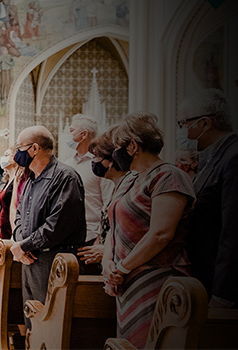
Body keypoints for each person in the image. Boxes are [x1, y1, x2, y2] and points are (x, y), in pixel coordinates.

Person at [102, 113, 195, 348]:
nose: (115, 154)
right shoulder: (130, 179)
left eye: (117, 147)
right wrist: (109, 266)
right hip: (126, 280)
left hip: (156, 277)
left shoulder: (169, 175)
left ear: (133, 146)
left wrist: (122, 267)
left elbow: (161, 233)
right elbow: (113, 226)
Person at [10, 125, 86, 329]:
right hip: (29, 259)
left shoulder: (65, 177)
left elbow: (57, 226)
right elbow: (19, 216)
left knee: (49, 327)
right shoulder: (30, 179)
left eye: (20, 147)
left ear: (34, 149)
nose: (17, 152)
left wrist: (24, 246)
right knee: (32, 325)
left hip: (52, 261)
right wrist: (20, 245)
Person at [178, 89, 238, 309]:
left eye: (183, 123)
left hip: (220, 285)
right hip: (203, 277)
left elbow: (232, 233)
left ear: (205, 123)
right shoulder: (214, 156)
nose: (182, 130)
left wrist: (223, 295)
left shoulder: (233, 157)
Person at [63, 114, 114, 274]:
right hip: (67, 238)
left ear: (84, 134)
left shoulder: (100, 164)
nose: (67, 135)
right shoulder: (67, 163)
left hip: (91, 239)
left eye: (71, 130)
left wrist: (100, 241)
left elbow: (108, 204)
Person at [82, 126, 136, 269]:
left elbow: (129, 231)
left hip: (122, 261)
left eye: (98, 157)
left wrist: (106, 250)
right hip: (108, 258)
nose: (94, 162)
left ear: (111, 161)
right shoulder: (117, 186)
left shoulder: (130, 184)